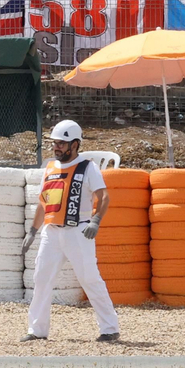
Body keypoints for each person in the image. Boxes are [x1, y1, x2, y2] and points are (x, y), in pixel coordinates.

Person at [23, 119, 118, 343]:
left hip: (79, 232)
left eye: (61, 144)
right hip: (51, 232)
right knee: (42, 278)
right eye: (55, 143)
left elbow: (104, 196)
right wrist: (32, 231)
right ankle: (37, 330)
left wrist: (95, 221)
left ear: (75, 144)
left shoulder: (88, 167)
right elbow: (43, 203)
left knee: (90, 279)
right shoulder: (50, 168)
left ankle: (110, 328)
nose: (56, 147)